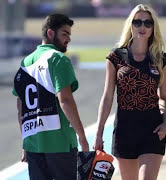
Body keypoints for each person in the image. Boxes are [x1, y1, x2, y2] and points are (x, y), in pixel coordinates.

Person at [93, 4, 166, 180]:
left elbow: (163, 97)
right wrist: (99, 132)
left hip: (152, 129)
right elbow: (107, 97)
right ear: (131, 25)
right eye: (137, 22)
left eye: (147, 23)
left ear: (153, 27)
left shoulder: (161, 59)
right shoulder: (116, 57)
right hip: (124, 129)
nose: (142, 27)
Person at [12, 14, 89, 180]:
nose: (68, 38)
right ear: (50, 33)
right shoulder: (58, 59)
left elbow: (21, 107)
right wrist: (82, 138)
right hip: (60, 142)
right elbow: (66, 100)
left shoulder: (25, 63)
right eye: (64, 33)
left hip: (34, 143)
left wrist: (26, 142)